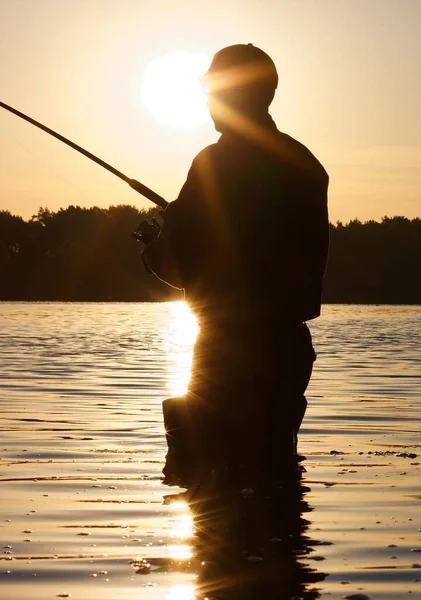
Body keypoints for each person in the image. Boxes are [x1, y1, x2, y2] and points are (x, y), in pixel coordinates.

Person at [143, 44, 329, 486]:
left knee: (208, 485)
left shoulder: (214, 163)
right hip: (287, 348)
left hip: (225, 349)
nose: (207, 101)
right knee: (274, 478)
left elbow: (181, 266)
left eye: (211, 89)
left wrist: (154, 243)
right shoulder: (305, 164)